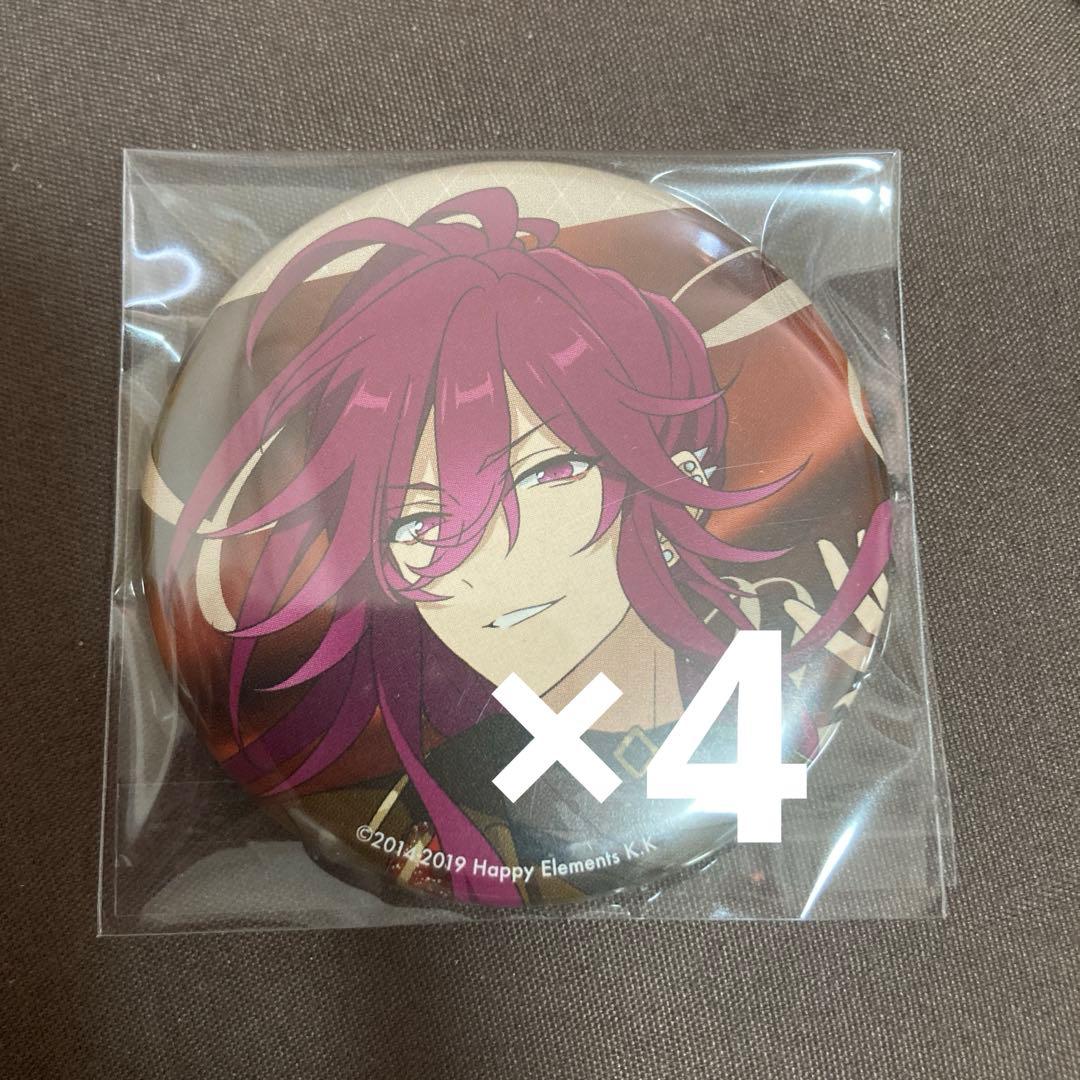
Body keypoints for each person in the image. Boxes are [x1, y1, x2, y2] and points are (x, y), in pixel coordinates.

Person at [167, 187, 890, 906]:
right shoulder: (415, 812)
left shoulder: (776, 671)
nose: (486, 559)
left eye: (547, 472)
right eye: (417, 524)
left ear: (677, 479)